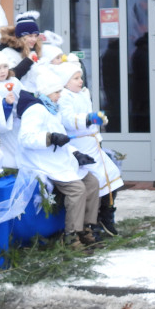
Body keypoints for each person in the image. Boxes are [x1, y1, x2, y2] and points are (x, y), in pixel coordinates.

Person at [18, 68, 100, 248]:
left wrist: (76, 154)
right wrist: (50, 138)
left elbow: (62, 138)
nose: (60, 95)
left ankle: (87, 227)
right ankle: (72, 235)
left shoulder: (52, 110)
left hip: (60, 159)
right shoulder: (35, 110)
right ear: (46, 92)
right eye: (57, 92)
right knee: (77, 189)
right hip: (44, 162)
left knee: (92, 182)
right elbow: (25, 138)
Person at [57, 58, 123, 237]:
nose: (80, 81)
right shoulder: (64, 97)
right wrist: (87, 119)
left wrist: (98, 120)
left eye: (80, 77)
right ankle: (93, 220)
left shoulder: (83, 93)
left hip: (92, 143)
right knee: (98, 179)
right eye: (76, 78)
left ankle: (107, 214)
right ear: (65, 81)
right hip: (80, 145)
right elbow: (67, 119)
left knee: (112, 175)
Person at [0, 11, 42, 90]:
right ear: (21, 36)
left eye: (36, 36)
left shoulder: (33, 49)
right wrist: (28, 61)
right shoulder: (8, 51)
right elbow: (10, 76)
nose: (34, 39)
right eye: (30, 36)